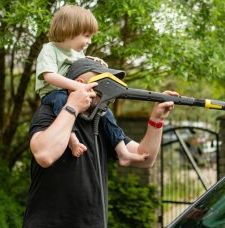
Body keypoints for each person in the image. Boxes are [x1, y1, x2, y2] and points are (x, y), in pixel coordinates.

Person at [23, 59, 178, 227]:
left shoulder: (100, 120)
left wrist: (157, 120)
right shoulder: (49, 113)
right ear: (79, 84)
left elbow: (145, 158)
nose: (109, 90)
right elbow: (45, 155)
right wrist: (73, 107)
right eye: (103, 82)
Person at [36, 4, 146, 165]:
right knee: (62, 101)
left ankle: (122, 151)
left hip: (72, 92)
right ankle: (72, 140)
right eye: (86, 36)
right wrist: (78, 86)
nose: (89, 41)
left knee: (104, 109)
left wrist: (93, 60)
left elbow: (81, 66)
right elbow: (49, 76)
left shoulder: (77, 52)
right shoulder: (49, 49)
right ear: (69, 29)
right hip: (53, 93)